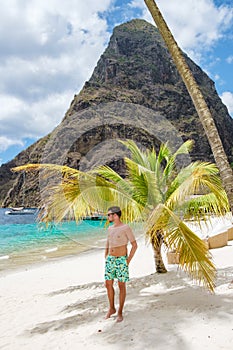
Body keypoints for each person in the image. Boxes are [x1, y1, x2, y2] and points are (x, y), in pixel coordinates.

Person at [104, 206, 138, 322]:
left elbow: (134, 245)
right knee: (108, 284)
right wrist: (106, 255)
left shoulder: (125, 228)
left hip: (121, 260)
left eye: (109, 215)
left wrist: (127, 261)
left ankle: (120, 311)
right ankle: (112, 308)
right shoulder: (110, 228)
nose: (108, 217)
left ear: (116, 215)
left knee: (121, 285)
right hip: (110, 259)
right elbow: (108, 242)